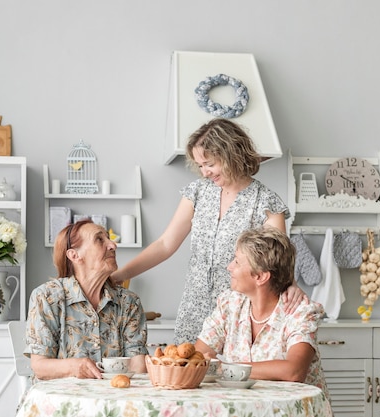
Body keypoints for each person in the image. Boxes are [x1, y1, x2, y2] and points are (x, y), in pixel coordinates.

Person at [110, 118, 305, 344]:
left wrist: (291, 285)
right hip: (194, 307)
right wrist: (121, 275)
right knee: (186, 370)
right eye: (200, 165)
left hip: (240, 310)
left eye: (209, 164)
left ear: (231, 154)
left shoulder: (266, 202)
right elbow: (165, 244)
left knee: (233, 374)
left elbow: (278, 262)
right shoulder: (197, 192)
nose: (204, 172)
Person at [194, 227, 329, 399]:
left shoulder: (300, 312)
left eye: (236, 261)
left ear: (260, 276)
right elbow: (198, 357)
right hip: (243, 408)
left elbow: (294, 371)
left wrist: (224, 367)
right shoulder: (230, 304)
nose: (229, 267)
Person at [24, 219, 148, 380]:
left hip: (113, 399)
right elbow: (40, 366)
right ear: (74, 255)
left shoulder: (129, 302)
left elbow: (137, 365)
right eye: (99, 239)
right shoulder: (47, 297)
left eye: (108, 238)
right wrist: (73, 367)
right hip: (60, 400)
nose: (113, 245)